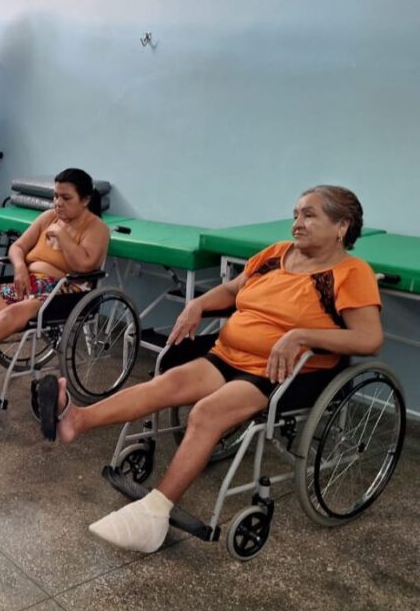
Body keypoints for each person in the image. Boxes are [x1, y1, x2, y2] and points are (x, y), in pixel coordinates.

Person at [41, 185, 383, 554]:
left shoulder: (351, 272)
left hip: (282, 371)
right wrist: (199, 305)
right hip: (227, 352)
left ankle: (155, 513)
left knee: (206, 413)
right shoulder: (276, 255)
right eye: (296, 214)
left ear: (342, 225)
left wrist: (300, 335)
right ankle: (77, 419)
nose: (297, 224)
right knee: (164, 385)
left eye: (309, 215)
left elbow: (368, 339)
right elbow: (234, 291)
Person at [0, 168, 110, 393]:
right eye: (55, 196)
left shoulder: (96, 228)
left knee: (13, 312)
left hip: (64, 291)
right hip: (30, 282)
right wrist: (20, 267)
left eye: (66, 198)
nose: (58, 203)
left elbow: (85, 265)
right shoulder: (48, 217)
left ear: (86, 200)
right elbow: (18, 246)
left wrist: (62, 235)